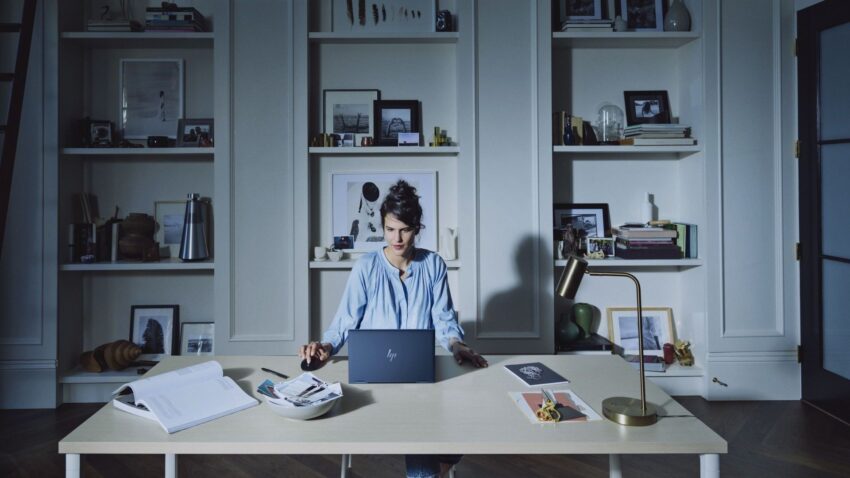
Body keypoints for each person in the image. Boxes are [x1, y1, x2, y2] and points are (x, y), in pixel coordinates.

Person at [299, 179, 487, 478]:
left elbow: (443, 319)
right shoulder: (366, 267)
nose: (396, 238)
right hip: (374, 381)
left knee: (472, 412)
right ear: (383, 226)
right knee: (426, 443)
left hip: (420, 380)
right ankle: (432, 469)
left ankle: (436, 466)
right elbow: (345, 321)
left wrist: (456, 344)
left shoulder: (433, 264)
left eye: (405, 230)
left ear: (417, 228)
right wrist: (326, 347)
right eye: (390, 229)